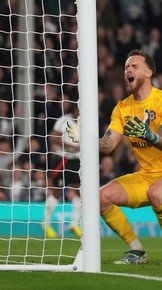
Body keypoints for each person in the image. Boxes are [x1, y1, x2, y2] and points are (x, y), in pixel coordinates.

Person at [67, 49, 162, 264]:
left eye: (134, 66)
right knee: (100, 197)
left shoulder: (160, 101)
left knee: (157, 193)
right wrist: (85, 138)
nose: (128, 70)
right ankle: (137, 251)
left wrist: (151, 136)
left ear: (149, 72)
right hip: (147, 176)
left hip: (159, 182)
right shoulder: (123, 108)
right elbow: (108, 145)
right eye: (127, 67)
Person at [42, 103, 82, 239]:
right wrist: (71, 147)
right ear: (75, 108)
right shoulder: (65, 120)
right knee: (57, 192)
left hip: (76, 161)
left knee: (80, 191)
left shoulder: (86, 122)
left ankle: (74, 224)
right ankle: (46, 224)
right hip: (62, 159)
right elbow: (53, 138)